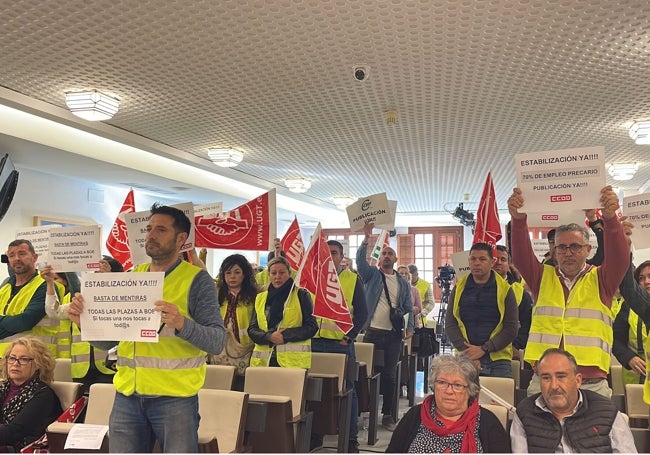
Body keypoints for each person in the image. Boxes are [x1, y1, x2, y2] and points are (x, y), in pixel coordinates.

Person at [67, 203, 225, 453]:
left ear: (181, 238)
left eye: (161, 230)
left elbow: (217, 341)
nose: (150, 235)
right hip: (127, 395)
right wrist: (84, 324)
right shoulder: (132, 276)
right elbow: (111, 344)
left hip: (175, 399)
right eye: (149, 228)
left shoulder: (196, 280)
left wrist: (181, 323)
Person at [508, 185, 629, 396]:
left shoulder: (602, 278)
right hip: (544, 380)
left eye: (575, 246)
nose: (568, 252)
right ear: (554, 250)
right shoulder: (542, 277)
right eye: (561, 247)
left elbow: (619, 258)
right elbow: (520, 256)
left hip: (590, 382)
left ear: (588, 249)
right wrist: (518, 221)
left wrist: (610, 220)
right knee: (537, 430)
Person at [510, 348, 636, 453]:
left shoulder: (607, 412)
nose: (554, 386)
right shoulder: (524, 413)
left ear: (578, 381)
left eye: (561, 376)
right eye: (546, 378)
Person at [310, 240, 368, 452]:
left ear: (341, 256)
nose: (330, 256)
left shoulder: (352, 279)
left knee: (348, 392)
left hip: (340, 345)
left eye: (334, 252)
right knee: (315, 391)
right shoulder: (312, 278)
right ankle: (315, 435)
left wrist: (349, 337)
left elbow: (362, 313)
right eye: (326, 252)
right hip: (314, 343)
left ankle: (350, 439)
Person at [386, 354, 510, 453]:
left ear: (470, 390)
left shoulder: (487, 422)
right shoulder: (415, 416)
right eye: (442, 383)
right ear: (433, 385)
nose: (449, 391)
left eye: (457, 385)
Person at [356, 222, 414, 431]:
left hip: (393, 335)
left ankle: (388, 415)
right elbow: (360, 263)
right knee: (365, 374)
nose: (387, 256)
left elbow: (407, 307)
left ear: (396, 259)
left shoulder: (403, 283)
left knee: (389, 376)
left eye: (391, 254)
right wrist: (365, 239)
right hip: (371, 332)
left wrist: (410, 328)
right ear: (380, 258)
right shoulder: (372, 275)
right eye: (385, 253)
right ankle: (363, 411)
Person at [41, 260, 119, 393]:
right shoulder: (81, 303)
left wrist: (109, 279)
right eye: (95, 274)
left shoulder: (120, 304)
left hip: (109, 367)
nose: (96, 279)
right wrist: (50, 283)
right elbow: (53, 311)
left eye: (101, 274)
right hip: (81, 370)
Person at [445, 243, 518, 378]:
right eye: (473, 259)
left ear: (492, 262)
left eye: (482, 259)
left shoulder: (505, 289)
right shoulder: (459, 288)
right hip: (465, 357)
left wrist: (483, 349)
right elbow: (450, 323)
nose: (477, 263)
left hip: (498, 360)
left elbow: (511, 328)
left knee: (497, 400)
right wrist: (469, 353)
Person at [248, 256, 317, 368]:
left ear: (289, 273)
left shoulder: (301, 295)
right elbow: (252, 329)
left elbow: (312, 327)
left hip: (292, 363)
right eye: (273, 273)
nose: (277, 277)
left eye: (282, 273)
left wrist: (285, 335)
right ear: (269, 275)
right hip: (264, 362)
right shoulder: (260, 298)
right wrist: (269, 337)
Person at [0, 239, 63, 357]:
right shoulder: (4, 289)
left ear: (34, 258)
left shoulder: (46, 285)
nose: (17, 258)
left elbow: (24, 321)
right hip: (5, 359)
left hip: (36, 359)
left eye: (22, 253)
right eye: (12, 255)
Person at [0, 336, 62, 451]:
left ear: (38, 364)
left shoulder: (43, 394)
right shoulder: (3, 388)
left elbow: (15, 431)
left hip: (23, 448)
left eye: (23, 359)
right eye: (12, 358)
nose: (15, 364)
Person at [208, 254, 257, 387]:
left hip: (245, 350)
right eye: (228, 273)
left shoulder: (255, 295)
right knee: (219, 387)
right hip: (219, 350)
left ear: (245, 274)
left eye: (237, 272)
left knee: (241, 388)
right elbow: (202, 272)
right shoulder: (217, 293)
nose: (232, 276)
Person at [492, 245, 533, 357]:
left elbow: (528, 323)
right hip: (477, 351)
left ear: (508, 265)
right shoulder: (472, 289)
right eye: (495, 259)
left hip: (507, 353)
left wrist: (517, 345)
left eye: (503, 259)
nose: (498, 262)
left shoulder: (519, 292)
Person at [40, 266, 80, 359]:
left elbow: (76, 286)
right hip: (56, 352)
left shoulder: (72, 299)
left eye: (55, 279)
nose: (53, 281)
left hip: (74, 355)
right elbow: (53, 311)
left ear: (66, 281)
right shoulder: (45, 299)